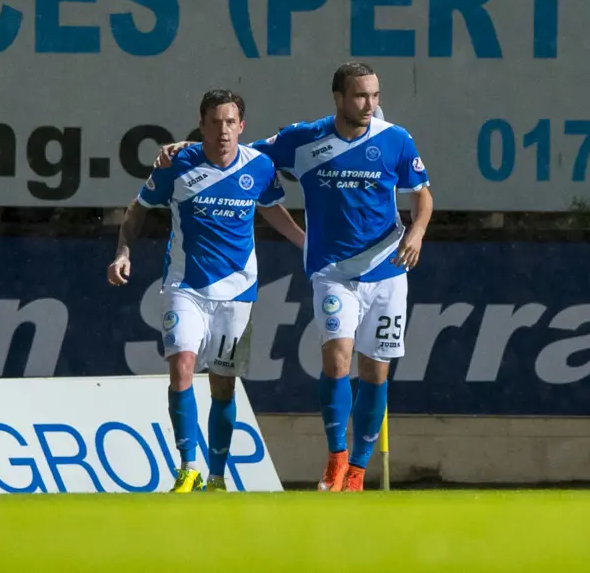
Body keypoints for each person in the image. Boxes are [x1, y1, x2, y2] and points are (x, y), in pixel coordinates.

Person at [155, 62, 433, 492]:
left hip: (388, 268)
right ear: (338, 98)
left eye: (375, 95)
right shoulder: (304, 139)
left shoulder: (395, 139)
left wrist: (415, 232)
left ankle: (357, 471)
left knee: (376, 373)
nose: (370, 104)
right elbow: (236, 153)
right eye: (360, 96)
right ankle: (336, 459)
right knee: (337, 358)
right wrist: (184, 148)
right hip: (332, 270)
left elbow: (422, 196)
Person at [108, 89, 305, 493]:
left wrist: (306, 245)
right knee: (181, 365)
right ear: (202, 126)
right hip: (186, 287)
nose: (223, 130)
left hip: (238, 293)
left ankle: (216, 476)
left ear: (242, 127)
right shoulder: (176, 164)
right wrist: (123, 251)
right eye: (215, 122)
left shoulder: (259, 167)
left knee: (223, 385)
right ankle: (188, 467)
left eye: (230, 122)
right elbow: (139, 206)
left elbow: (269, 208)